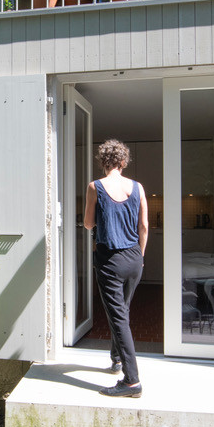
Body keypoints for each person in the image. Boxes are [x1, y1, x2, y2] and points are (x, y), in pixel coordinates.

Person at [83, 139, 149, 398]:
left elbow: (88, 224)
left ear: (103, 162)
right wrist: (140, 256)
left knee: (118, 316)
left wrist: (101, 219)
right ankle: (116, 358)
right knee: (123, 311)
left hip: (110, 260)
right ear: (123, 162)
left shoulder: (95, 187)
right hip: (134, 258)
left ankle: (132, 381)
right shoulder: (138, 187)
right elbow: (144, 227)